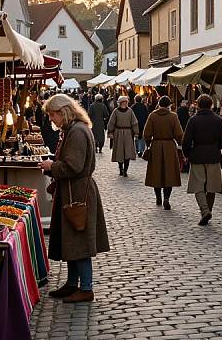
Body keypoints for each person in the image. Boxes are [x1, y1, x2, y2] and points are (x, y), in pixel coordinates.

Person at [38, 94, 109, 303]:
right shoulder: (72, 130)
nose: (51, 119)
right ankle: (72, 284)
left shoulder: (77, 132)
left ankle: (86, 288)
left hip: (77, 193)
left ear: (64, 112)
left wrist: (52, 166)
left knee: (79, 240)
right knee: (72, 240)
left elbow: (74, 166)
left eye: (52, 115)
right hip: (71, 190)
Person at [182, 94, 222, 225]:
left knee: (198, 186)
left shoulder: (193, 120)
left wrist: (187, 154)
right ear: (211, 105)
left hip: (197, 155)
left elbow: (186, 141)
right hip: (213, 155)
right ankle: (208, 210)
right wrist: (216, 147)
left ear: (198, 105)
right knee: (211, 186)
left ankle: (204, 210)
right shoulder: (218, 120)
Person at [143, 96, 184, 210]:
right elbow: (179, 134)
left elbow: (146, 133)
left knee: (156, 173)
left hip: (156, 146)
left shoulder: (152, 115)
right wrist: (181, 143)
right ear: (169, 105)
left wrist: (148, 144)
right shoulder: (173, 116)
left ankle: (158, 198)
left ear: (159, 104)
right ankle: (166, 198)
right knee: (169, 173)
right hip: (169, 147)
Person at [107, 96, 139, 177]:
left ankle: (125, 170)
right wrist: (110, 132)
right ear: (120, 103)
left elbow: (134, 122)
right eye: (123, 102)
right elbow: (111, 122)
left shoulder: (130, 111)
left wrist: (136, 133)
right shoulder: (116, 111)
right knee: (119, 152)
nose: (125, 103)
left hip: (128, 134)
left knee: (127, 152)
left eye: (126, 102)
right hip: (118, 134)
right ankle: (121, 168)